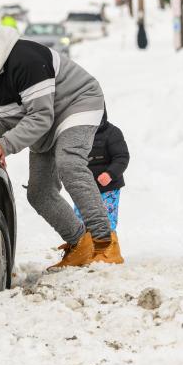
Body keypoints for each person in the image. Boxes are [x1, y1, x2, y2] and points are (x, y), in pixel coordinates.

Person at [0, 4, 121, 269]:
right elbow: (1, 120)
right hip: (45, 118)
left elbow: (41, 117)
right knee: (39, 192)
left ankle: (104, 243)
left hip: (77, 103)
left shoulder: (24, 59)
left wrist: (5, 144)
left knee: (69, 164)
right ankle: (80, 244)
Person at [73, 113, 128, 264]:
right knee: (79, 217)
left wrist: (110, 173)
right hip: (84, 187)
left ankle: (109, 248)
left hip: (108, 188)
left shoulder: (112, 133)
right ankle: (84, 249)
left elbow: (122, 157)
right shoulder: (77, 133)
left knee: (106, 217)